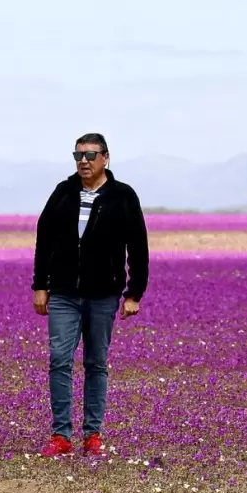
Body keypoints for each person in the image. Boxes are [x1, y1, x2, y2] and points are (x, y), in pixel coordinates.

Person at [32, 132, 149, 457]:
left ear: (105, 158)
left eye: (91, 155)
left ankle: (92, 435)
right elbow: (44, 239)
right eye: (78, 155)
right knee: (59, 361)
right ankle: (61, 436)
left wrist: (134, 293)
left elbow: (138, 247)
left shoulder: (123, 196)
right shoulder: (63, 193)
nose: (84, 161)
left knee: (96, 364)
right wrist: (40, 285)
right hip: (64, 294)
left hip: (103, 295)